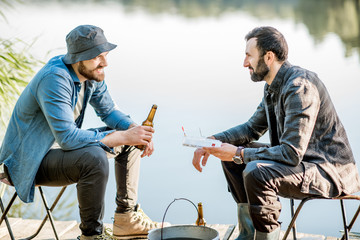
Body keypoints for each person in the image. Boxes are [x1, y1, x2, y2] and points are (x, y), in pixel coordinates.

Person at [0, 25, 168, 240]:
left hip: (58, 151)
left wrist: (135, 130)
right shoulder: (55, 79)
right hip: (26, 162)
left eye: (105, 55)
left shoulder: (91, 74)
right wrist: (124, 135)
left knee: (130, 139)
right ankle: (92, 235)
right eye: (98, 57)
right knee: (94, 157)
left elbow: (109, 112)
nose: (105, 63)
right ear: (79, 58)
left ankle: (126, 218)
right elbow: (68, 139)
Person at [192, 26, 360, 240]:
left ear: (268, 57)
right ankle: (249, 233)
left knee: (255, 170)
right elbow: (252, 128)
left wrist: (238, 153)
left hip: (327, 171)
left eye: (248, 56)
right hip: (302, 163)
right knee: (234, 160)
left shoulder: (300, 87)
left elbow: (290, 153)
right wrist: (213, 142)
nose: (245, 63)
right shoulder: (273, 87)